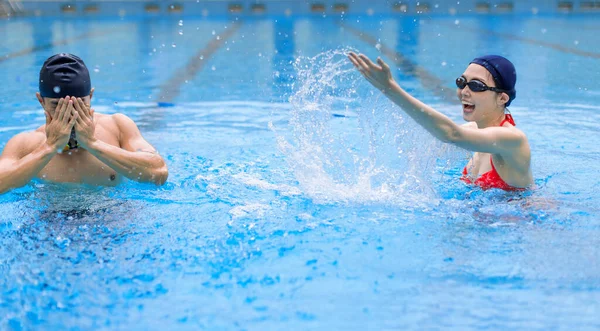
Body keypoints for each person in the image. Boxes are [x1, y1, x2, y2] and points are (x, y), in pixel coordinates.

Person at [348, 52, 532, 191]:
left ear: (502, 98)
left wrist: (390, 89)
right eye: (462, 82)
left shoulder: (512, 140)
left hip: (517, 223)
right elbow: (434, 139)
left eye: (476, 86)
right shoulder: (472, 131)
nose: (464, 91)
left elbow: (450, 134)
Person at [0, 53, 168, 194]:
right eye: (57, 106)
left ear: (91, 97)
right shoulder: (25, 144)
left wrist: (93, 144)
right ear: (41, 101)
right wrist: (49, 147)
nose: (70, 114)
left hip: (113, 220)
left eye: (79, 104)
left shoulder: (117, 126)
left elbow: (158, 173)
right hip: (51, 224)